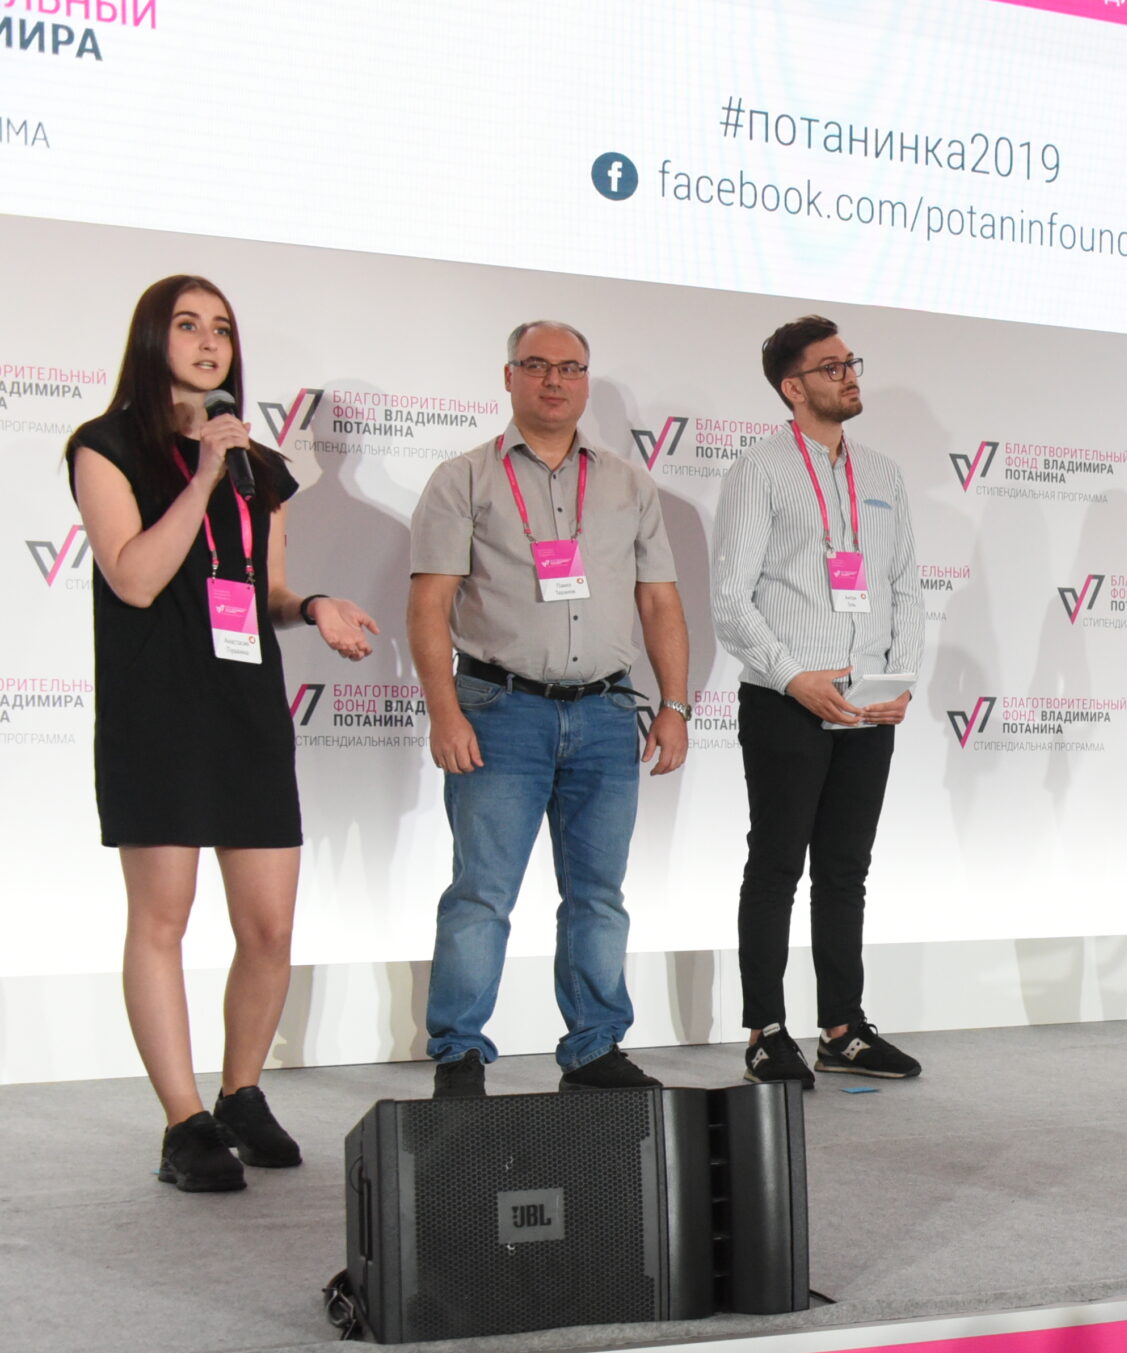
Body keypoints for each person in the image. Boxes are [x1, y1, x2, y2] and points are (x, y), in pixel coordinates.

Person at [65, 274, 381, 1190]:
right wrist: (203, 472)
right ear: (152, 339)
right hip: (157, 705)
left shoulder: (261, 467)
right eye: (189, 326)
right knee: (163, 917)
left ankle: (242, 1093)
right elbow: (134, 576)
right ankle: (184, 1122)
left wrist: (312, 605)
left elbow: (261, 588)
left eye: (222, 330)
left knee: (270, 925)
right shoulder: (105, 446)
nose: (209, 344)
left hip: (245, 702)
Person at [408, 320, 692, 1098]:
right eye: (537, 365)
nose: (554, 380)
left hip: (605, 713)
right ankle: (459, 1052)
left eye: (570, 367)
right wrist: (444, 711)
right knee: (481, 893)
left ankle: (595, 1047)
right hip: (500, 710)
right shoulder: (463, 478)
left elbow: (660, 601)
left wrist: (674, 704)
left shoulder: (629, 484)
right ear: (509, 377)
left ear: (586, 380)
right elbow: (429, 604)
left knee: (599, 895)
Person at [712, 315, 924, 1086]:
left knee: (845, 871)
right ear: (793, 387)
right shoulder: (759, 470)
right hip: (788, 699)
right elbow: (731, 599)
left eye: (851, 362)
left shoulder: (884, 475)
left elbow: (905, 586)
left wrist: (900, 679)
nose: (849, 375)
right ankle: (766, 1029)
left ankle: (843, 1027)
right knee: (776, 865)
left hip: (868, 703)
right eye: (831, 367)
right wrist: (793, 676)